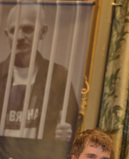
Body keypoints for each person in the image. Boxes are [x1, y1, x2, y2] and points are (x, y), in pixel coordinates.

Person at [0, 4, 78, 140]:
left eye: (27, 29)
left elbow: (76, 129)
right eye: (13, 30)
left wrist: (65, 139)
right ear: (7, 35)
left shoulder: (59, 76)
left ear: (42, 32)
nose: (19, 37)